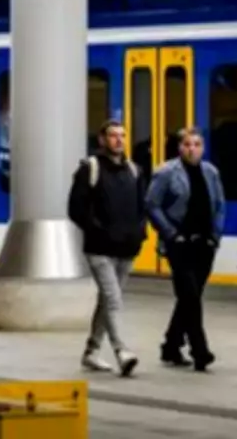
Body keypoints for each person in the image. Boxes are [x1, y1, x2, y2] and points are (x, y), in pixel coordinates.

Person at [68, 119, 146, 376]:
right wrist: (97, 229)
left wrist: (139, 235)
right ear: (102, 140)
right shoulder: (90, 168)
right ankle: (122, 351)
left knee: (106, 300)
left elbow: (140, 207)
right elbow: (75, 209)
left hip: (127, 248)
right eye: (113, 136)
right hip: (99, 248)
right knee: (113, 299)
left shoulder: (134, 171)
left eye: (122, 135)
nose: (119, 140)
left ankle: (91, 352)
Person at [146, 126, 226, 372]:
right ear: (179, 147)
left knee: (189, 298)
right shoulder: (167, 172)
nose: (192, 149)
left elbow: (220, 204)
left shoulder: (210, 172)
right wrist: (171, 234)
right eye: (187, 144)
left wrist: (215, 235)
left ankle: (171, 345)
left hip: (205, 244)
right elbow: (151, 204)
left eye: (197, 144)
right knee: (190, 296)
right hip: (179, 244)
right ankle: (200, 351)